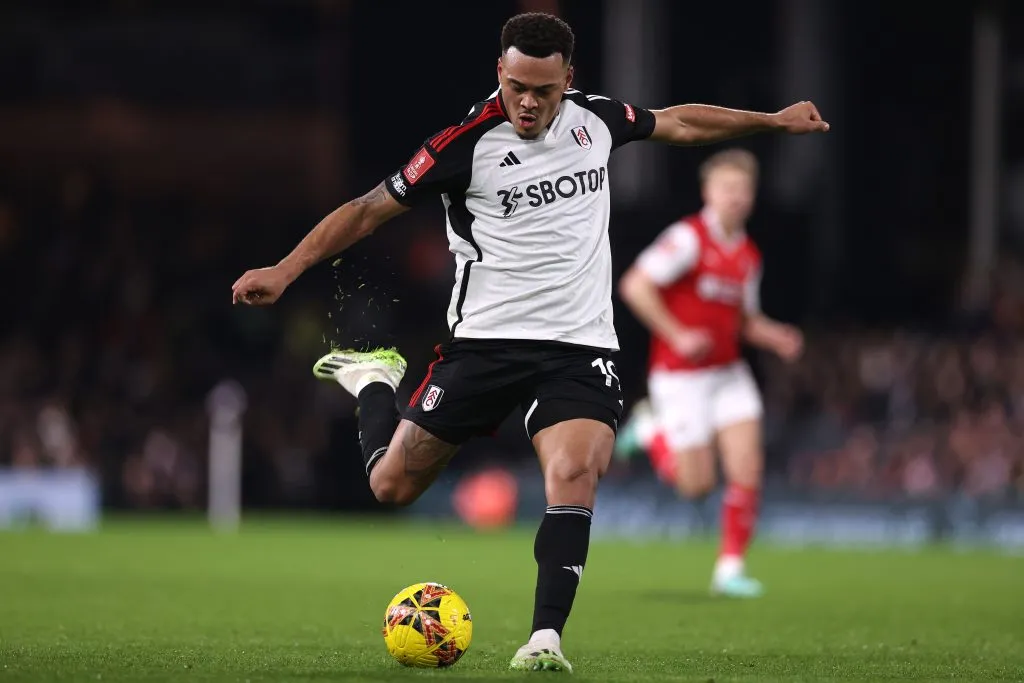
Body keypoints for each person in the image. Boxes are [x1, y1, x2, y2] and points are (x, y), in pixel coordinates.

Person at [232, 12, 827, 672]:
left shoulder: (595, 120)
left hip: (579, 348)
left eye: (543, 90)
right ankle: (374, 379)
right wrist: (285, 270)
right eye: (517, 85)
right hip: (482, 346)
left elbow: (678, 122)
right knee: (392, 486)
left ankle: (546, 637)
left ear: (568, 80)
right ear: (500, 73)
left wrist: (771, 120)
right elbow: (370, 208)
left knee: (573, 473)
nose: (528, 102)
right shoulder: (464, 143)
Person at [616, 148, 804, 598]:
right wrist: (677, 334)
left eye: (743, 189)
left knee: (747, 467)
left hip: (727, 373)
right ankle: (649, 431)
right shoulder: (688, 238)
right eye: (727, 188)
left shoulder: (747, 255)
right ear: (708, 192)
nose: (736, 197)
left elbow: (743, 319)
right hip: (680, 375)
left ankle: (730, 569)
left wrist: (776, 336)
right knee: (696, 485)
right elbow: (634, 286)